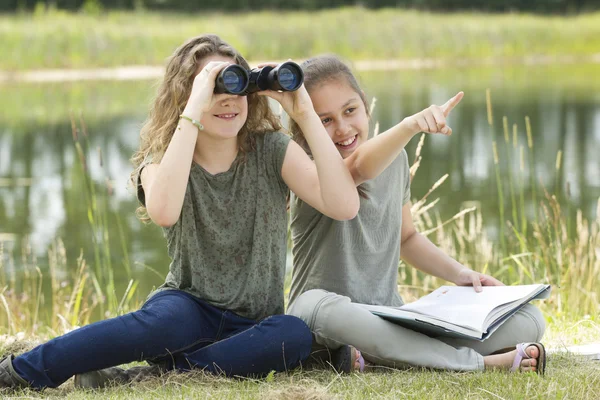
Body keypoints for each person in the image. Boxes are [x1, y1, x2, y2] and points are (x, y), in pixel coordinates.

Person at [0, 36, 360, 390]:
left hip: (252, 325)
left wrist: (305, 114)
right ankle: (20, 370)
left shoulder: (272, 151)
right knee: (169, 324)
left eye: (236, 85)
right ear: (185, 97)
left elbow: (344, 206)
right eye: (214, 88)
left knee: (291, 333)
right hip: (184, 312)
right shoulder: (164, 161)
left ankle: (148, 376)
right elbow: (164, 212)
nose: (228, 100)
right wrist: (193, 110)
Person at [287, 55, 546, 374]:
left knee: (530, 320)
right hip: (321, 318)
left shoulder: (395, 160)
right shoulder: (308, 169)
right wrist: (410, 125)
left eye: (350, 110)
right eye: (325, 120)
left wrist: (460, 273)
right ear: (307, 125)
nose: (342, 128)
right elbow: (358, 167)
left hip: (386, 316)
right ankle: (477, 364)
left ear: (365, 105)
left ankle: (378, 357)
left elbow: (407, 238)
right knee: (325, 311)